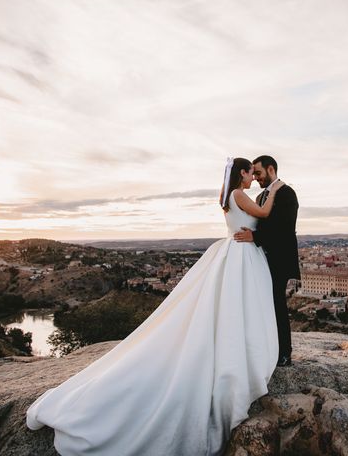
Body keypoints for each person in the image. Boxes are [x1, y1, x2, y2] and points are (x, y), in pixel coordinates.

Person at [25, 157, 283, 456]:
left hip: (235, 251)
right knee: (236, 307)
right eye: (252, 173)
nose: (254, 177)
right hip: (241, 253)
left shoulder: (226, 196)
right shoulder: (239, 194)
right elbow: (263, 212)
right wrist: (276, 187)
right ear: (242, 173)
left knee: (226, 308)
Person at [234, 156, 300, 367]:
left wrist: (256, 237)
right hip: (263, 258)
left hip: (279, 259)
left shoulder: (287, 193)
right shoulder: (264, 195)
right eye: (253, 174)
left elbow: (284, 228)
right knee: (264, 304)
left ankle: (284, 353)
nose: (255, 178)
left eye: (259, 173)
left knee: (277, 304)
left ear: (271, 169)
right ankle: (267, 349)